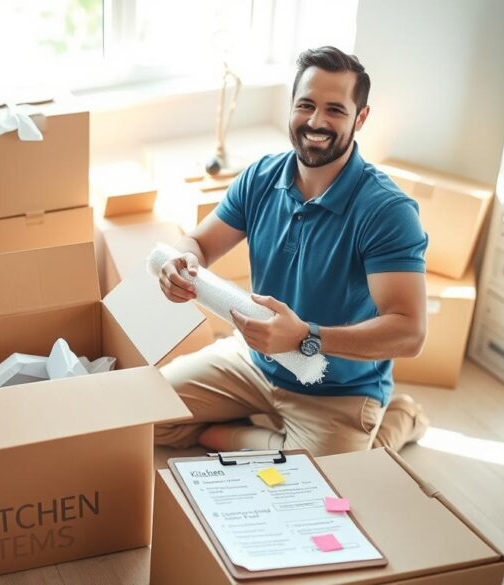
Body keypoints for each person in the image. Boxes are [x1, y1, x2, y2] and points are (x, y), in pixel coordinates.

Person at [155, 46, 430, 456]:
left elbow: (410, 332)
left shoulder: (387, 211)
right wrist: (181, 262)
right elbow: (197, 243)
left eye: (335, 110)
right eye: (306, 105)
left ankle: (397, 419)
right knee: (144, 418)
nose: (316, 122)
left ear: (361, 117)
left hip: (339, 389)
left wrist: (307, 337)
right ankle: (268, 441)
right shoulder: (261, 177)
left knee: (320, 491)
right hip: (253, 362)